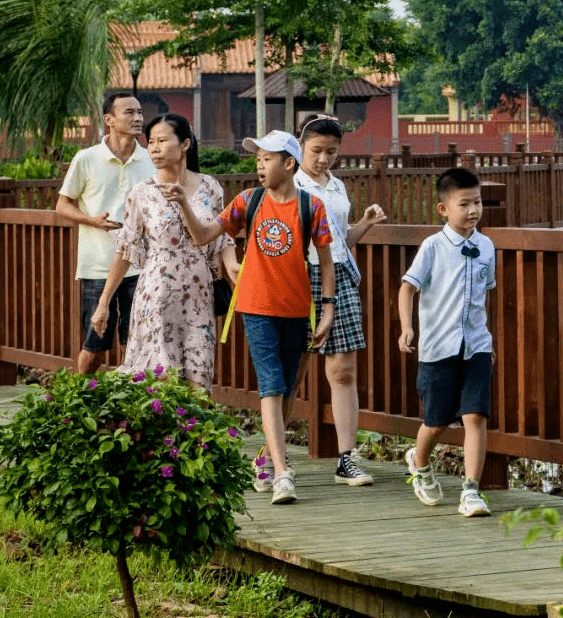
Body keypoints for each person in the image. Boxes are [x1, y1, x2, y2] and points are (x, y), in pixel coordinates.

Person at [159, 130, 336, 506]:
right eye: (257, 157)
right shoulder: (247, 201)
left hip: (297, 308)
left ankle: (264, 460)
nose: (259, 163)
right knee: (271, 386)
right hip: (255, 306)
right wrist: (184, 205)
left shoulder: (311, 207)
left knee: (288, 388)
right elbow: (205, 235)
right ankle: (283, 473)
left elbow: (325, 259)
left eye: (267, 158)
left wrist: (328, 310)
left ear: (288, 164)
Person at [89, 114, 238, 392]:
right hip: (156, 295)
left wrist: (232, 267)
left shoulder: (210, 187)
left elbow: (222, 237)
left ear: (184, 144)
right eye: (151, 142)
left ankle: (195, 435)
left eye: (162, 140)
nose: (154, 148)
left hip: (199, 296)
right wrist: (104, 303)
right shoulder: (142, 193)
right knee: (161, 381)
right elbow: (125, 250)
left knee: (199, 376)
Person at [290, 114, 387, 488]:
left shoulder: (337, 187)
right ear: (301, 147)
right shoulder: (290, 185)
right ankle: (272, 457)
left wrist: (363, 223)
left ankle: (347, 458)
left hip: (340, 275)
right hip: (301, 275)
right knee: (291, 369)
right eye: (316, 151)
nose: (323, 159)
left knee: (342, 370)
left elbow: (340, 240)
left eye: (331, 152)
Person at [398, 168, 496, 517]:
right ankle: (420, 462)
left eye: (478, 202)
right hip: (438, 347)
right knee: (436, 421)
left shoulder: (486, 246)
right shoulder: (433, 247)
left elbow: (486, 294)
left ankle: (471, 490)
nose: (473, 210)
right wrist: (407, 328)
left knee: (475, 416)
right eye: (464, 204)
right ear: (443, 209)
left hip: (477, 347)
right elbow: (408, 287)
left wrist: (486, 340)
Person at [56, 93, 155, 375]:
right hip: (97, 267)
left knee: (137, 344)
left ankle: (132, 407)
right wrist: (91, 220)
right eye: (129, 112)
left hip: (141, 267)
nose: (137, 118)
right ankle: (77, 405)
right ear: (108, 120)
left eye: (139, 112)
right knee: (94, 346)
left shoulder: (150, 160)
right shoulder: (86, 159)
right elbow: (62, 204)